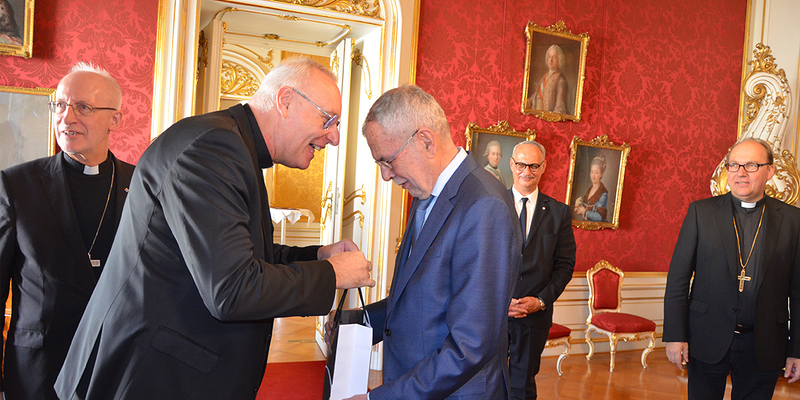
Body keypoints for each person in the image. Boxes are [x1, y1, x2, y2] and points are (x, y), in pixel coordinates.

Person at [54, 57, 374, 400]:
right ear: (285, 101)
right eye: (328, 120)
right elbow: (232, 290)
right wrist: (332, 274)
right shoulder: (214, 148)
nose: (334, 136)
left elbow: (241, 254)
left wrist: (318, 256)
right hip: (150, 375)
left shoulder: (231, 144)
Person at [352, 84, 522, 399]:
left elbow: (470, 346)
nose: (386, 176)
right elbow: (422, 298)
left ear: (426, 141)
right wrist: (357, 322)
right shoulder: (426, 192)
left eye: (388, 161)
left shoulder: (483, 205)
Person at [0, 62, 135, 400]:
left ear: (115, 119)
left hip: (115, 368)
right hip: (38, 370)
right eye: (60, 105)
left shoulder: (142, 185)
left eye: (83, 107)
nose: (66, 117)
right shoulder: (17, 185)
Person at [663, 138, 800, 399]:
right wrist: (675, 335)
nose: (740, 173)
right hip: (706, 336)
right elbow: (678, 279)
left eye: (751, 165)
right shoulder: (701, 213)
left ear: (770, 171)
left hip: (764, 343)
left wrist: (797, 350)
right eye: (734, 165)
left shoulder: (793, 220)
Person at [506, 141, 575, 400]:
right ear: (512, 164)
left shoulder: (559, 213)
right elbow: (477, 261)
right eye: (521, 164)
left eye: (534, 166)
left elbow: (565, 265)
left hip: (534, 317)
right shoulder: (492, 204)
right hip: (494, 313)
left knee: (522, 387)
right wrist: (499, 301)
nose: (527, 171)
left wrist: (541, 301)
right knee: (487, 381)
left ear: (543, 167)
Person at [526, 44, 568, 114]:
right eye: (549, 57)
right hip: (537, 115)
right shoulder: (545, 76)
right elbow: (536, 95)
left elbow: (559, 108)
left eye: (554, 57)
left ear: (559, 60)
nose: (551, 60)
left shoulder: (561, 81)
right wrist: (524, 104)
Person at [574, 155, 608, 222]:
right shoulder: (589, 189)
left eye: (596, 173)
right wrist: (578, 207)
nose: (593, 176)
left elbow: (600, 217)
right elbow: (585, 208)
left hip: (596, 225)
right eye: (592, 172)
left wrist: (584, 212)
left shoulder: (603, 193)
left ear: (601, 174)